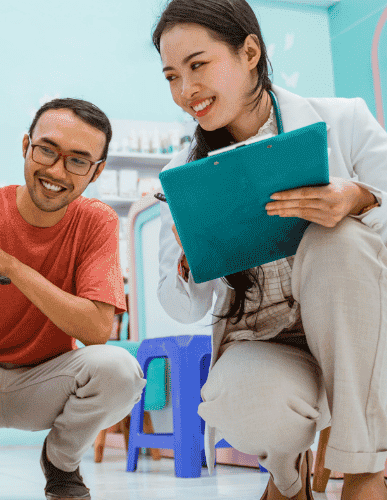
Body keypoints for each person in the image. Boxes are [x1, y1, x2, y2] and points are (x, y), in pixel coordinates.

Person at [152, 1, 387, 499]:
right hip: (264, 337)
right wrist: (191, 260)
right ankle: (287, 477)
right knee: (241, 402)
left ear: (250, 52)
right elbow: (179, 305)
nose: (185, 90)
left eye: (198, 65)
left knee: (339, 238)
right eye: (171, 75)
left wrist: (360, 197)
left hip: (355, 328)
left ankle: (366, 468)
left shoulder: (342, 120)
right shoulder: (185, 173)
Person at [0, 98, 147, 500]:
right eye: (47, 151)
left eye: (77, 161)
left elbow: (96, 331)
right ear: (26, 146)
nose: (56, 171)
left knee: (120, 370)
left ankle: (61, 463)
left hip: (47, 385)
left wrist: (12, 267)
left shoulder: (97, 220)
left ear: (97, 171)